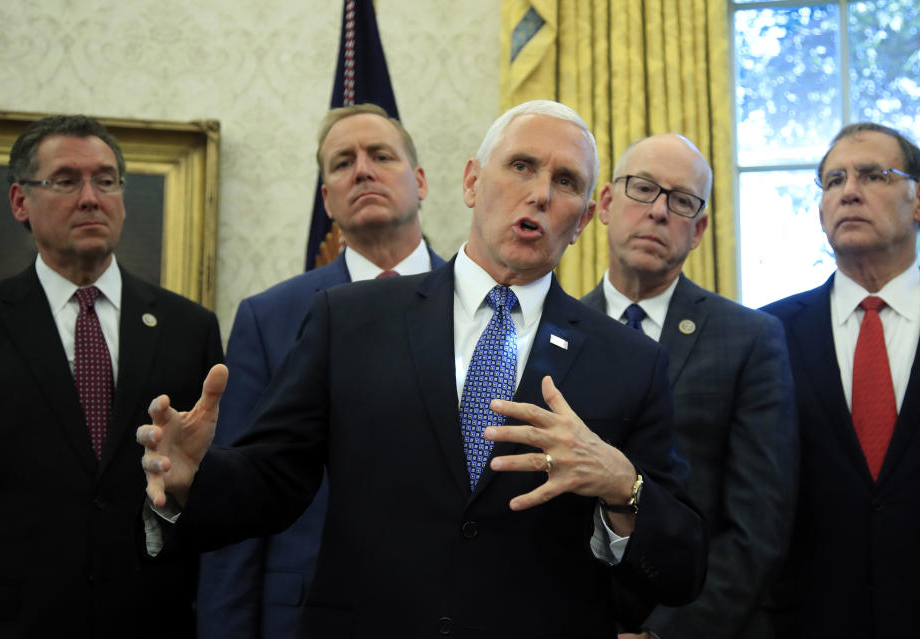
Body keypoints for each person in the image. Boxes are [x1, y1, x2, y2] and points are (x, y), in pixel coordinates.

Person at [141, 100, 707, 638]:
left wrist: (622, 488)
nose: (539, 193)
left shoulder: (630, 360)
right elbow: (274, 480)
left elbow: (681, 568)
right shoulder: (351, 319)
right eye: (522, 166)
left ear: (584, 219)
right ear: (470, 183)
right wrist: (197, 480)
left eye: (565, 182)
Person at [197, 103, 447, 639]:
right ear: (327, 198)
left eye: (381, 155)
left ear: (420, 181)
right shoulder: (269, 318)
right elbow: (241, 500)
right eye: (342, 163)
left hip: (453, 609)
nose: (362, 170)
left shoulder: (487, 303)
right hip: (307, 614)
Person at [0, 115, 222, 638]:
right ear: (20, 202)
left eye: (107, 180)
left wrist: (184, 494)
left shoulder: (189, 327)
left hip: (150, 615)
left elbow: (208, 491)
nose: (91, 197)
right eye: (66, 180)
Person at [582, 134, 797, 638]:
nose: (659, 211)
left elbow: (758, 526)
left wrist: (666, 634)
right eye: (643, 189)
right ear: (607, 204)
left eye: (681, 201)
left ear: (698, 230)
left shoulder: (751, 339)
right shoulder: (555, 330)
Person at [761, 123, 920, 637]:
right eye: (833, 180)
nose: (849, 191)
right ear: (821, 211)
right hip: (803, 619)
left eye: (872, 175)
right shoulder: (763, 334)